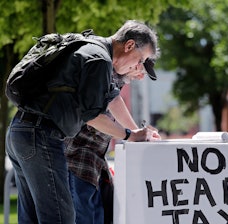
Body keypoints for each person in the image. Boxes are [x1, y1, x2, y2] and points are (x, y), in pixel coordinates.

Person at [6, 20, 159, 224]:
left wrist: (136, 131)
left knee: (32, 217)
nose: (138, 67)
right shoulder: (99, 59)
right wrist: (129, 136)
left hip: (20, 132)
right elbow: (93, 116)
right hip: (42, 136)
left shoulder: (91, 45)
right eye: (140, 60)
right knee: (60, 218)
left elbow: (113, 99)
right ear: (129, 45)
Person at [65, 60, 161, 224]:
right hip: (79, 160)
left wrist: (138, 133)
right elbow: (95, 117)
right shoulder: (106, 76)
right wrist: (133, 134)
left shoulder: (115, 82)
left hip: (93, 163)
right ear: (135, 62)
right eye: (141, 70)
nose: (140, 77)